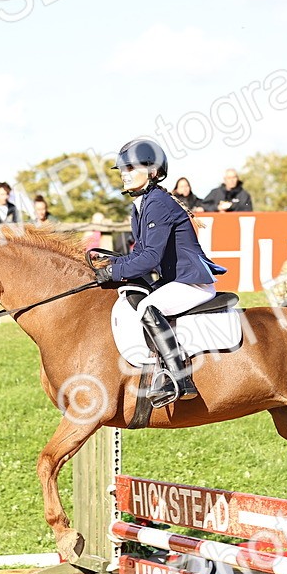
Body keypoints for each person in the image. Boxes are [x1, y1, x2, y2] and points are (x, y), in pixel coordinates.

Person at [94, 138, 227, 407]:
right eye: (122, 169)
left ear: (152, 171)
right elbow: (139, 252)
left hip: (192, 282)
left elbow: (149, 259)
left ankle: (179, 378)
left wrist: (114, 271)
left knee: (148, 307)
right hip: (175, 280)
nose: (125, 174)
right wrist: (109, 266)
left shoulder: (158, 203)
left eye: (131, 168)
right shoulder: (140, 206)